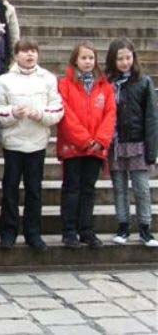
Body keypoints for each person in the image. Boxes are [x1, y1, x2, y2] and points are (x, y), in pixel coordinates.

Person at [0, 39, 64, 251]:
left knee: (34, 190)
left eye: (33, 51)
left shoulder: (48, 79)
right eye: (25, 51)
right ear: (16, 55)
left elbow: (57, 109)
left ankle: (33, 233)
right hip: (13, 142)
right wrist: (12, 113)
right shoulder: (4, 80)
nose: (29, 55)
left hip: (37, 142)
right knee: (10, 188)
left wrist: (41, 115)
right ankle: (8, 232)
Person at [56, 41, 117, 250]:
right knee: (72, 188)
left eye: (91, 58)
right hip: (73, 147)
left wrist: (100, 140)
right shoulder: (64, 85)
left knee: (88, 189)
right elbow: (66, 115)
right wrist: (84, 140)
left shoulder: (105, 87)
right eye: (84, 58)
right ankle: (69, 230)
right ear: (75, 60)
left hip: (96, 148)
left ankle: (86, 229)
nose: (88, 62)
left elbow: (110, 115)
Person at [105, 39, 158, 247]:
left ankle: (145, 227)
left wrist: (151, 150)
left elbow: (151, 118)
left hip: (138, 143)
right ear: (113, 60)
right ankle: (123, 225)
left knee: (141, 188)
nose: (125, 62)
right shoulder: (108, 83)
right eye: (120, 58)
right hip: (116, 144)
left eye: (128, 57)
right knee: (119, 188)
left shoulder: (143, 82)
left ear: (133, 58)